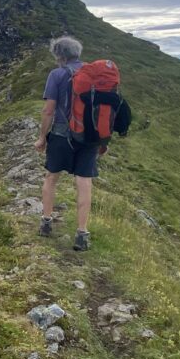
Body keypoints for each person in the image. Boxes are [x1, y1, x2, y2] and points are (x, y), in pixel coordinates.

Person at [33, 36, 105, 251]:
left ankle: (46, 222)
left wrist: (42, 137)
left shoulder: (57, 74)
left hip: (62, 135)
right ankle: (82, 234)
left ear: (60, 56)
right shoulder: (95, 74)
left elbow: (48, 110)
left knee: (51, 177)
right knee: (84, 182)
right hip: (90, 137)